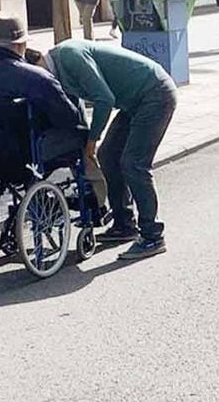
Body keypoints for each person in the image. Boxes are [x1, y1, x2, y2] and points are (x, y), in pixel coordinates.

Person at [41, 40, 178, 260]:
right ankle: (124, 224)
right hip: (134, 101)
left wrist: (92, 139)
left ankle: (152, 235)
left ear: (39, 59)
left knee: (134, 163)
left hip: (155, 94)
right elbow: (76, 105)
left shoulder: (69, 55)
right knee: (108, 156)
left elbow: (104, 98)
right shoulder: (57, 70)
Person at [0, 13, 106, 213]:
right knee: (75, 130)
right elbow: (68, 118)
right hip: (21, 156)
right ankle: (93, 197)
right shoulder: (35, 77)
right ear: (20, 45)